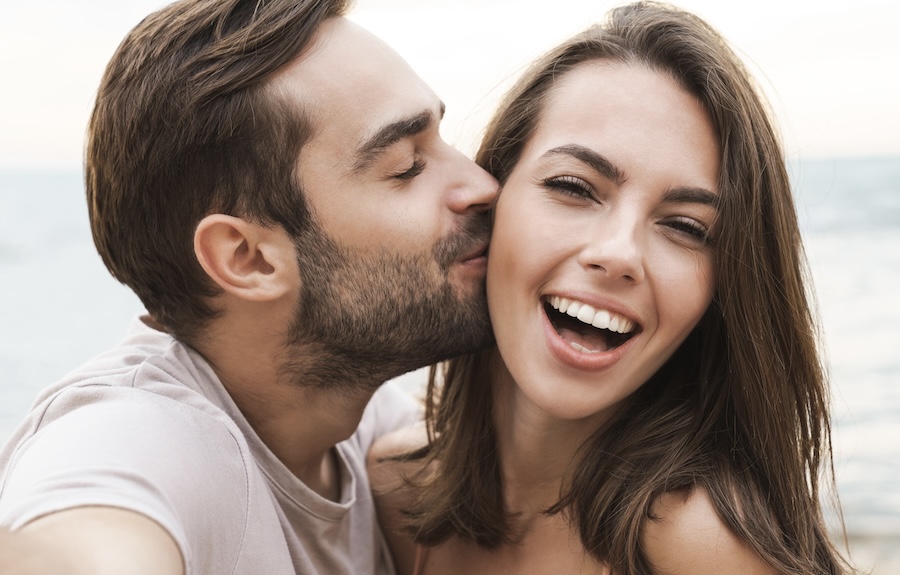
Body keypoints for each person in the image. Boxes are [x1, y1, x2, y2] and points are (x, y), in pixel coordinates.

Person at [0, 0, 498, 573]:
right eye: (407, 166)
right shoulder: (144, 438)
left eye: (441, 138)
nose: (482, 184)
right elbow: (89, 544)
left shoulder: (361, 427)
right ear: (248, 258)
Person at [369, 2, 856, 574]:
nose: (620, 254)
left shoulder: (701, 544)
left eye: (684, 227)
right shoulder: (392, 488)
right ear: (491, 195)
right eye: (575, 187)